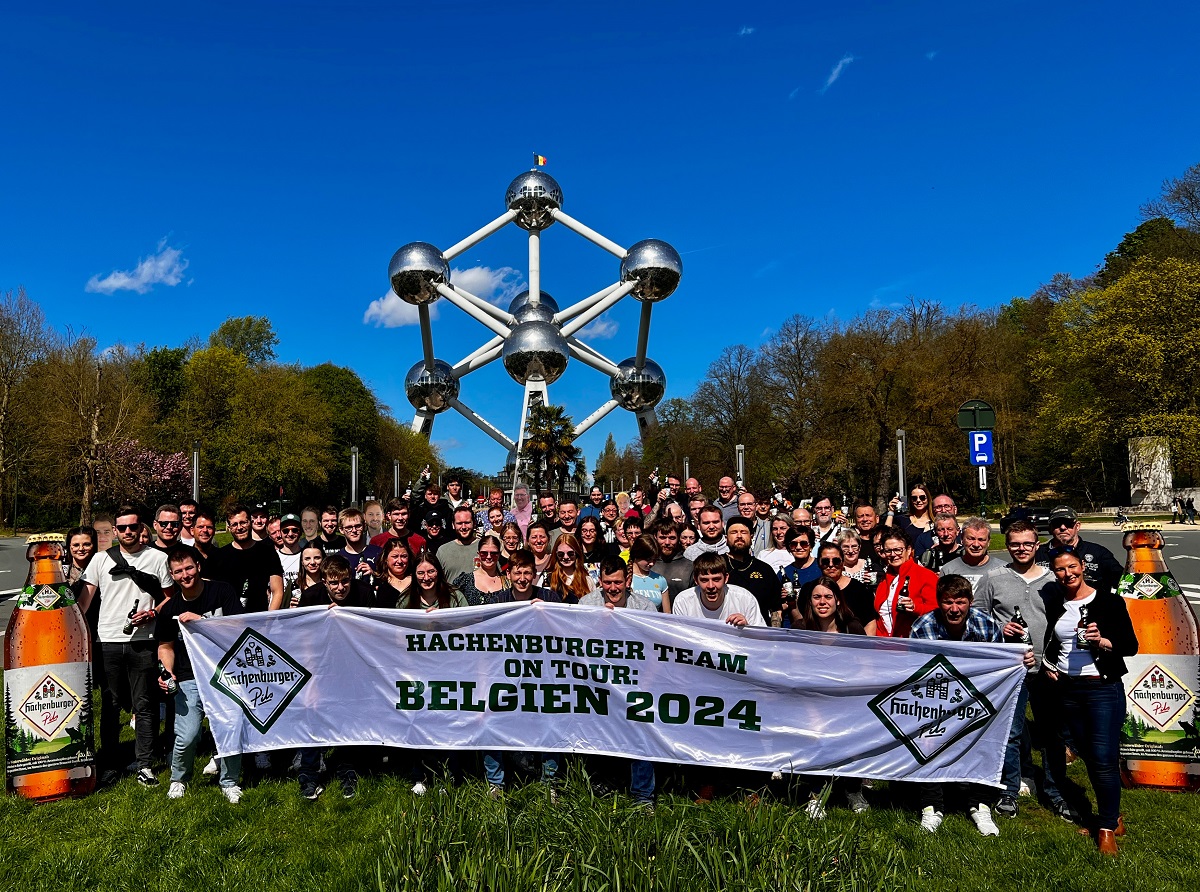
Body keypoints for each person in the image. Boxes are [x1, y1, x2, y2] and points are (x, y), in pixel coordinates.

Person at [910, 574, 1034, 836]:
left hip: (977, 697)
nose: (954, 609)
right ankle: (932, 806)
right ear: (938, 603)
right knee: (928, 742)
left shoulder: (985, 624)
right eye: (947, 602)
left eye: (960, 602)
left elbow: (1003, 667)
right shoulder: (923, 626)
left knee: (986, 742)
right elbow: (915, 671)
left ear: (970, 602)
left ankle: (980, 804)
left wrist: (1022, 660)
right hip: (937, 698)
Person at [974, 520, 1073, 820]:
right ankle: (1009, 790)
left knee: (1052, 733)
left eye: (1027, 544)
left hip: (1048, 667)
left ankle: (1056, 792)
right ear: (1006, 544)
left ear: (1037, 545)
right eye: (1015, 544)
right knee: (1011, 732)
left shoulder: (1052, 581)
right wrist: (999, 627)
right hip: (1011, 668)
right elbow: (976, 617)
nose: (1021, 549)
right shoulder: (993, 578)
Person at [1043, 551, 1138, 855]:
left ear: (1082, 567)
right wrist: (1049, 665)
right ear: (1054, 573)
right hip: (1068, 689)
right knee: (1089, 755)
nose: (1067, 573)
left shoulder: (1108, 602)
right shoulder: (1056, 603)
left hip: (1102, 687)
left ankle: (1106, 827)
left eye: (1072, 567)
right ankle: (1113, 816)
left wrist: (1102, 641)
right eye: (1060, 569)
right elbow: (1053, 641)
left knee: (1102, 756)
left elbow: (1130, 646)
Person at [77, 505, 175, 786]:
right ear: (116, 531)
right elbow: (83, 603)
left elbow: (171, 596)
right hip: (107, 640)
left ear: (141, 528)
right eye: (122, 528)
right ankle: (110, 762)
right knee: (110, 704)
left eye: (133, 527)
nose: (128, 532)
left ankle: (144, 764)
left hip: (143, 641)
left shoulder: (157, 558)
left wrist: (154, 613)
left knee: (144, 704)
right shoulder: (99, 560)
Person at [157, 545, 245, 803]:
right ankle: (178, 779)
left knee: (229, 727)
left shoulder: (222, 591)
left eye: (188, 568)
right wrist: (167, 671)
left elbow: (237, 630)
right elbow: (165, 646)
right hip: (187, 675)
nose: (185, 575)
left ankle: (229, 781)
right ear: (172, 576)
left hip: (223, 673)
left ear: (198, 566)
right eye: (178, 571)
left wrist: (203, 623)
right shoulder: (169, 608)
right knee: (188, 734)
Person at [577, 556, 658, 811]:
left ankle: (644, 796)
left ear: (628, 581)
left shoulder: (644, 608)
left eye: (618, 583)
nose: (613, 588)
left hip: (637, 682)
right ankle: (601, 782)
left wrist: (643, 686)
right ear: (600, 582)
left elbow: (655, 651)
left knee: (642, 726)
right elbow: (580, 647)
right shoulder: (587, 604)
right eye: (608, 583)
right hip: (597, 682)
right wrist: (603, 622)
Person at [295, 554, 373, 799]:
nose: (340, 588)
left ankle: (347, 769)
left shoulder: (363, 592)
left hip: (353, 664)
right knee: (313, 715)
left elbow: (373, 630)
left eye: (345, 582)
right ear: (324, 582)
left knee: (348, 717)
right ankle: (308, 774)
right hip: (320, 664)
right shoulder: (311, 597)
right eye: (334, 583)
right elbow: (303, 639)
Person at [211, 504, 284, 613]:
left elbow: (277, 590)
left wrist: (269, 619)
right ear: (229, 527)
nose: (239, 527)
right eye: (234, 524)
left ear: (250, 522)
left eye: (243, 522)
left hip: (259, 620)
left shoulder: (267, 552)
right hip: (228, 622)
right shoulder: (220, 556)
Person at [1035, 506, 1123, 595]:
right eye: (1057, 523)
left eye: (1068, 523)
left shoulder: (1098, 553)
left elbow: (1124, 582)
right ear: (1050, 527)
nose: (1063, 527)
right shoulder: (1038, 554)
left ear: (1077, 526)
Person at [798, 542, 878, 634]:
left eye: (836, 561)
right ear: (818, 563)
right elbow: (804, 621)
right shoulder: (808, 590)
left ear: (843, 562)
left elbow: (870, 623)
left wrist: (865, 646)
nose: (831, 565)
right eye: (825, 561)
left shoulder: (860, 590)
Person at [671, 551, 766, 628]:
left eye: (716, 579)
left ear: (726, 578)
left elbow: (762, 637)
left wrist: (747, 627)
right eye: (704, 580)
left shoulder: (745, 599)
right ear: (696, 580)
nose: (711, 586)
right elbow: (678, 639)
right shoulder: (683, 601)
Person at [874, 527, 937, 638]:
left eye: (898, 550)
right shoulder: (884, 580)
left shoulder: (925, 576)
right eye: (888, 551)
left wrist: (915, 608)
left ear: (908, 550)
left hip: (911, 642)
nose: (893, 554)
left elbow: (937, 611)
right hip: (884, 644)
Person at [725, 516, 784, 626]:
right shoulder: (717, 566)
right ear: (726, 538)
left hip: (758, 634)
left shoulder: (765, 569)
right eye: (734, 532)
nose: (739, 536)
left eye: (743, 532)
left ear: (751, 537)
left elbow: (776, 609)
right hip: (724, 634)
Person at [940, 517, 1000, 594]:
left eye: (981, 539)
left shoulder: (1002, 570)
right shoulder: (948, 570)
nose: (976, 544)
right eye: (971, 539)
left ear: (988, 542)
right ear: (962, 539)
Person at [649, 520, 693, 610]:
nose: (667, 542)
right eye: (663, 537)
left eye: (672, 538)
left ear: (678, 538)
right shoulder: (648, 565)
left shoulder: (690, 566)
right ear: (655, 537)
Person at [455, 531, 508, 605]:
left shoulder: (508, 583)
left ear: (499, 555)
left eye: (493, 553)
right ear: (479, 554)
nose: (489, 557)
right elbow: (447, 600)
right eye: (484, 553)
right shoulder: (465, 581)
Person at [435, 506, 479, 583]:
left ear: (474, 523)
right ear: (453, 525)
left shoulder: (484, 548)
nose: (464, 527)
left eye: (467, 522)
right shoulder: (443, 551)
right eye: (459, 523)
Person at [546, 532, 593, 603]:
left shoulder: (587, 580)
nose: (566, 557)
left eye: (570, 553)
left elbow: (595, 605)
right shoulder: (548, 579)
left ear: (577, 553)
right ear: (556, 555)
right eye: (561, 554)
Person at [627, 534, 670, 611]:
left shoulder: (660, 580)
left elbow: (667, 613)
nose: (652, 564)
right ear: (637, 554)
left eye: (654, 560)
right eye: (648, 559)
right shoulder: (625, 578)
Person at [338, 507, 382, 579]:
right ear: (341, 530)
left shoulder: (378, 553)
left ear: (364, 526)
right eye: (349, 527)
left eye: (358, 526)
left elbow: (390, 579)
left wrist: (374, 574)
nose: (354, 530)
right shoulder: (337, 558)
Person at [373, 538, 415, 609]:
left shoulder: (417, 581)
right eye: (395, 556)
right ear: (386, 558)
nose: (399, 561)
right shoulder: (378, 583)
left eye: (404, 556)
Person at [578, 515, 613, 585]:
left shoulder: (605, 552)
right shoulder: (574, 553)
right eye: (584, 531)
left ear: (597, 532)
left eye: (592, 531)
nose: (588, 534)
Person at [276, 514, 305, 596]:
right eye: (285, 531)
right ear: (280, 532)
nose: (290, 534)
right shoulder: (273, 557)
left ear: (300, 532)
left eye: (295, 530)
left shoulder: (307, 556)